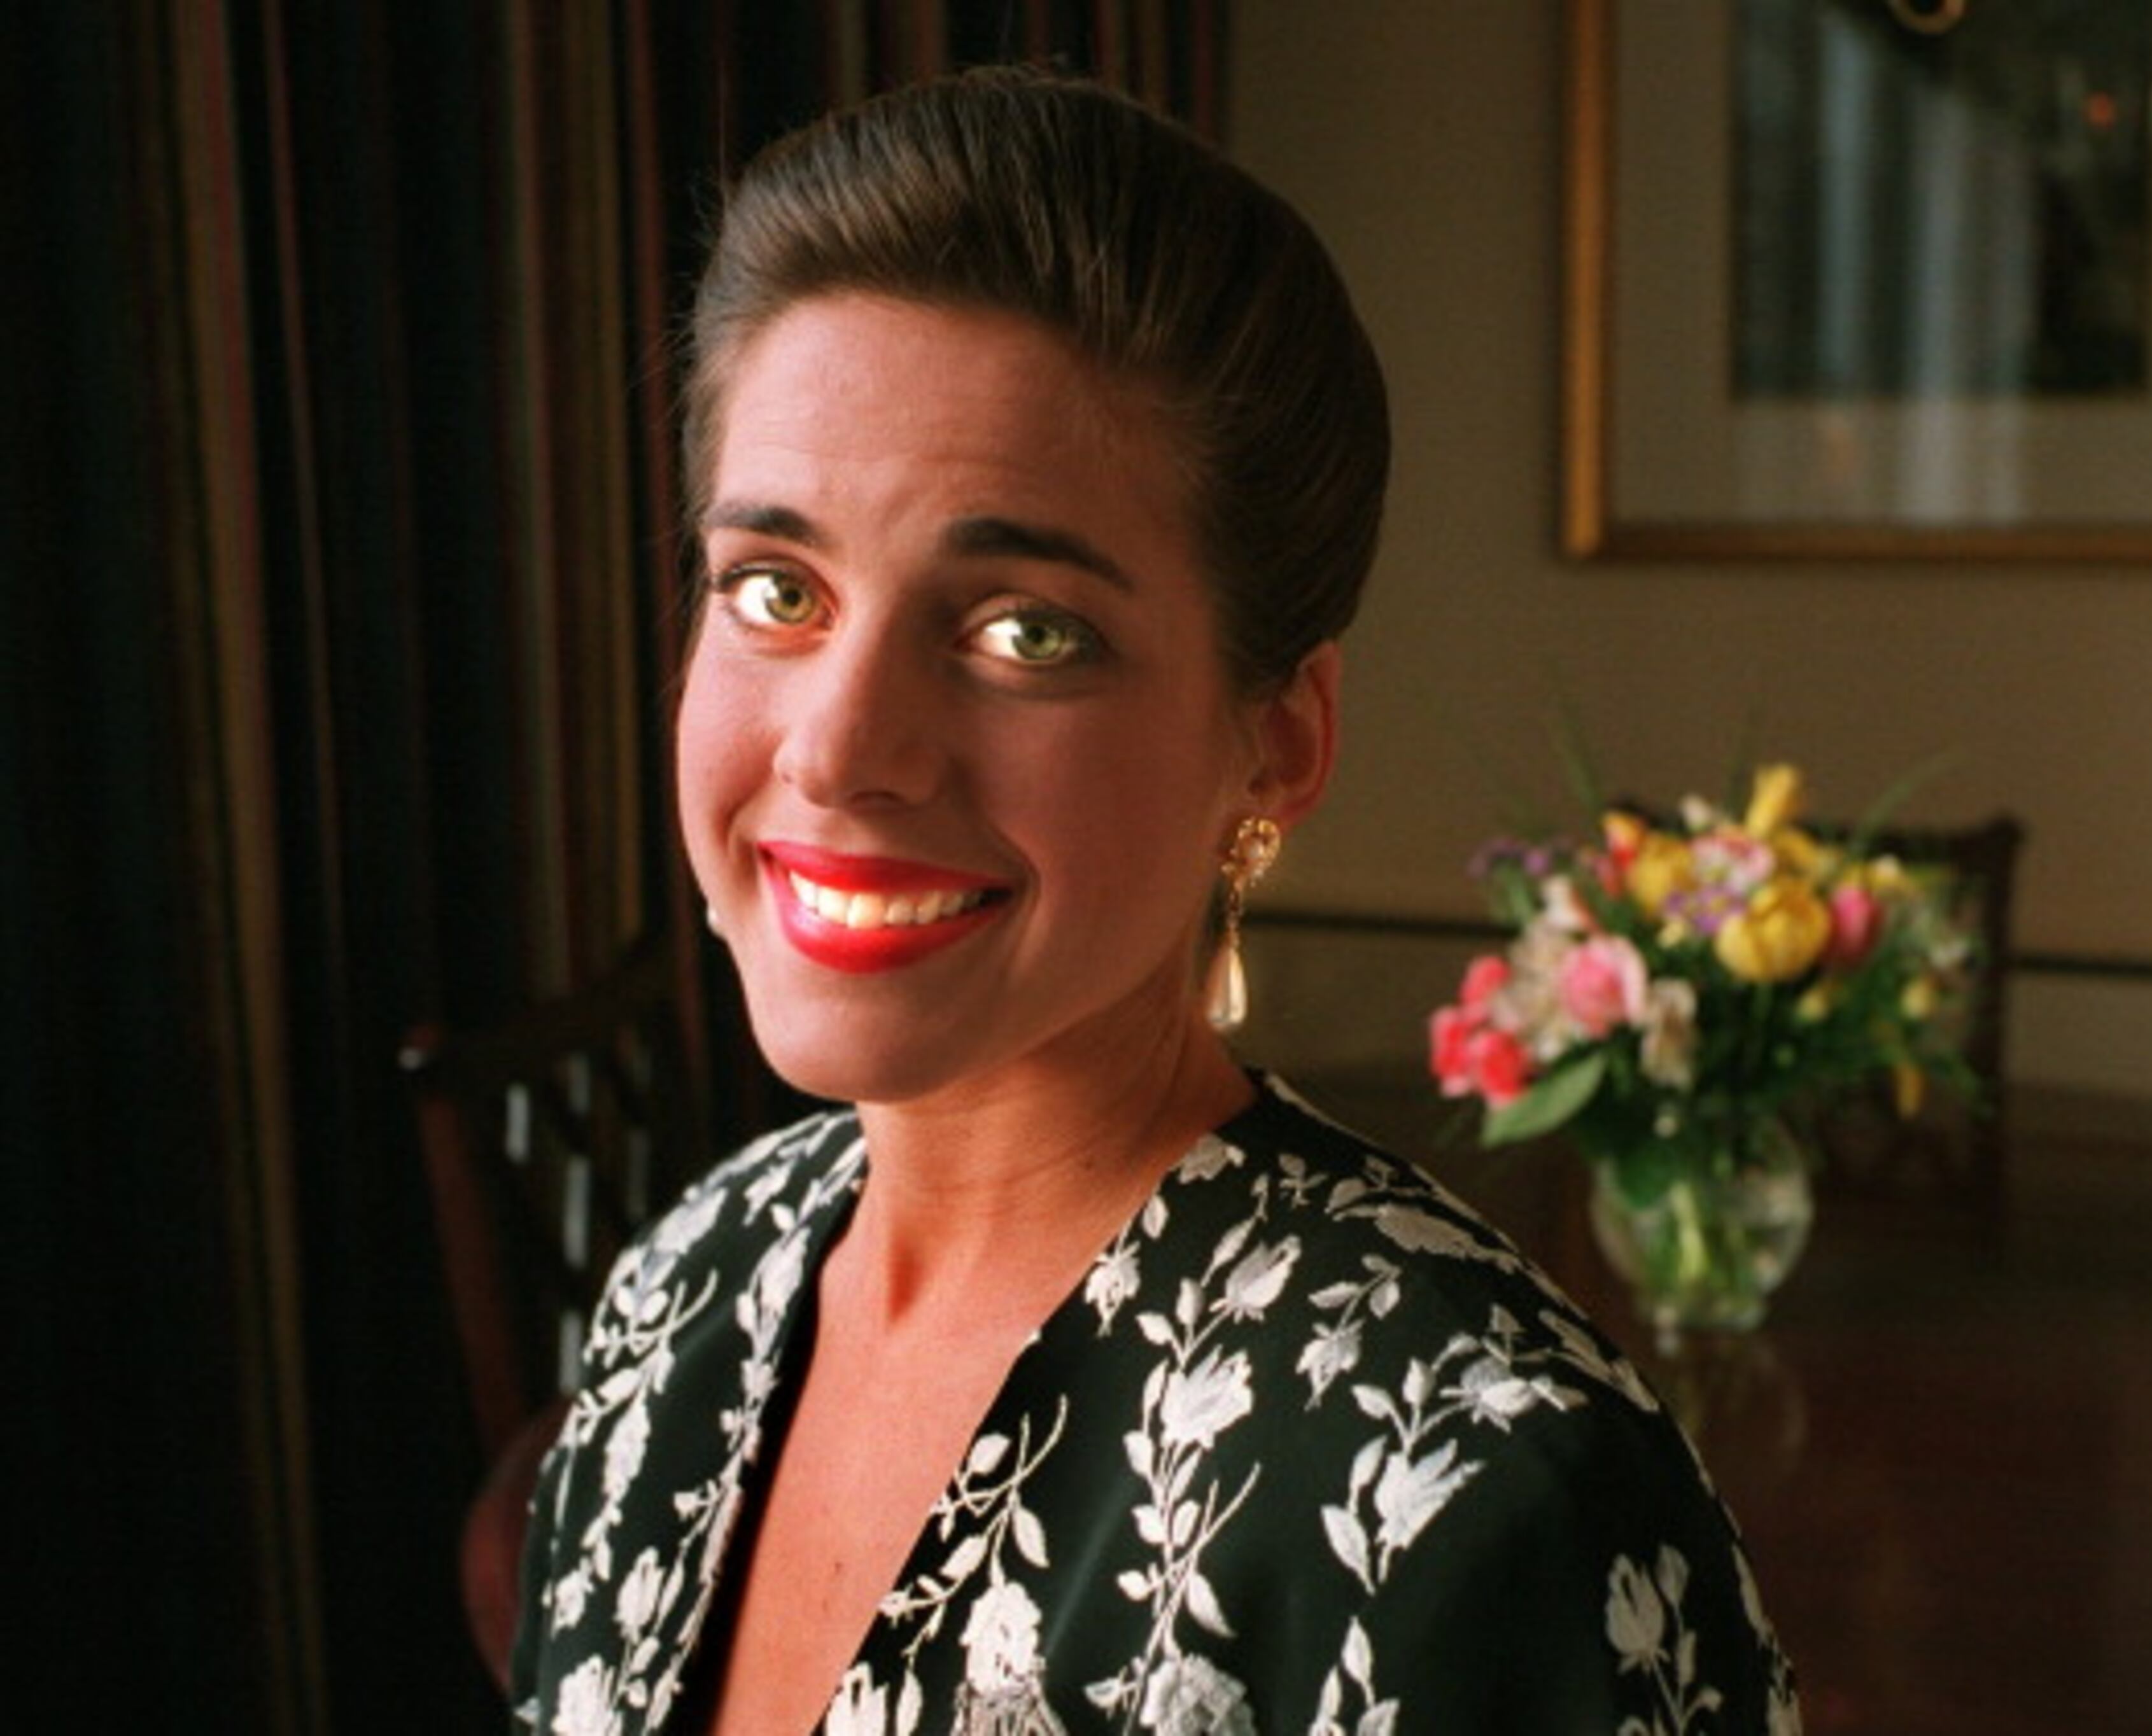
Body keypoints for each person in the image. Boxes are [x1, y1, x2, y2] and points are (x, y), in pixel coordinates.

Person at [512, 67, 1800, 1735]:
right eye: (777, 590)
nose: (837, 751)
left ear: (1275, 746)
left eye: (1024, 630)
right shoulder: (684, 1289)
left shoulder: (1477, 1499)